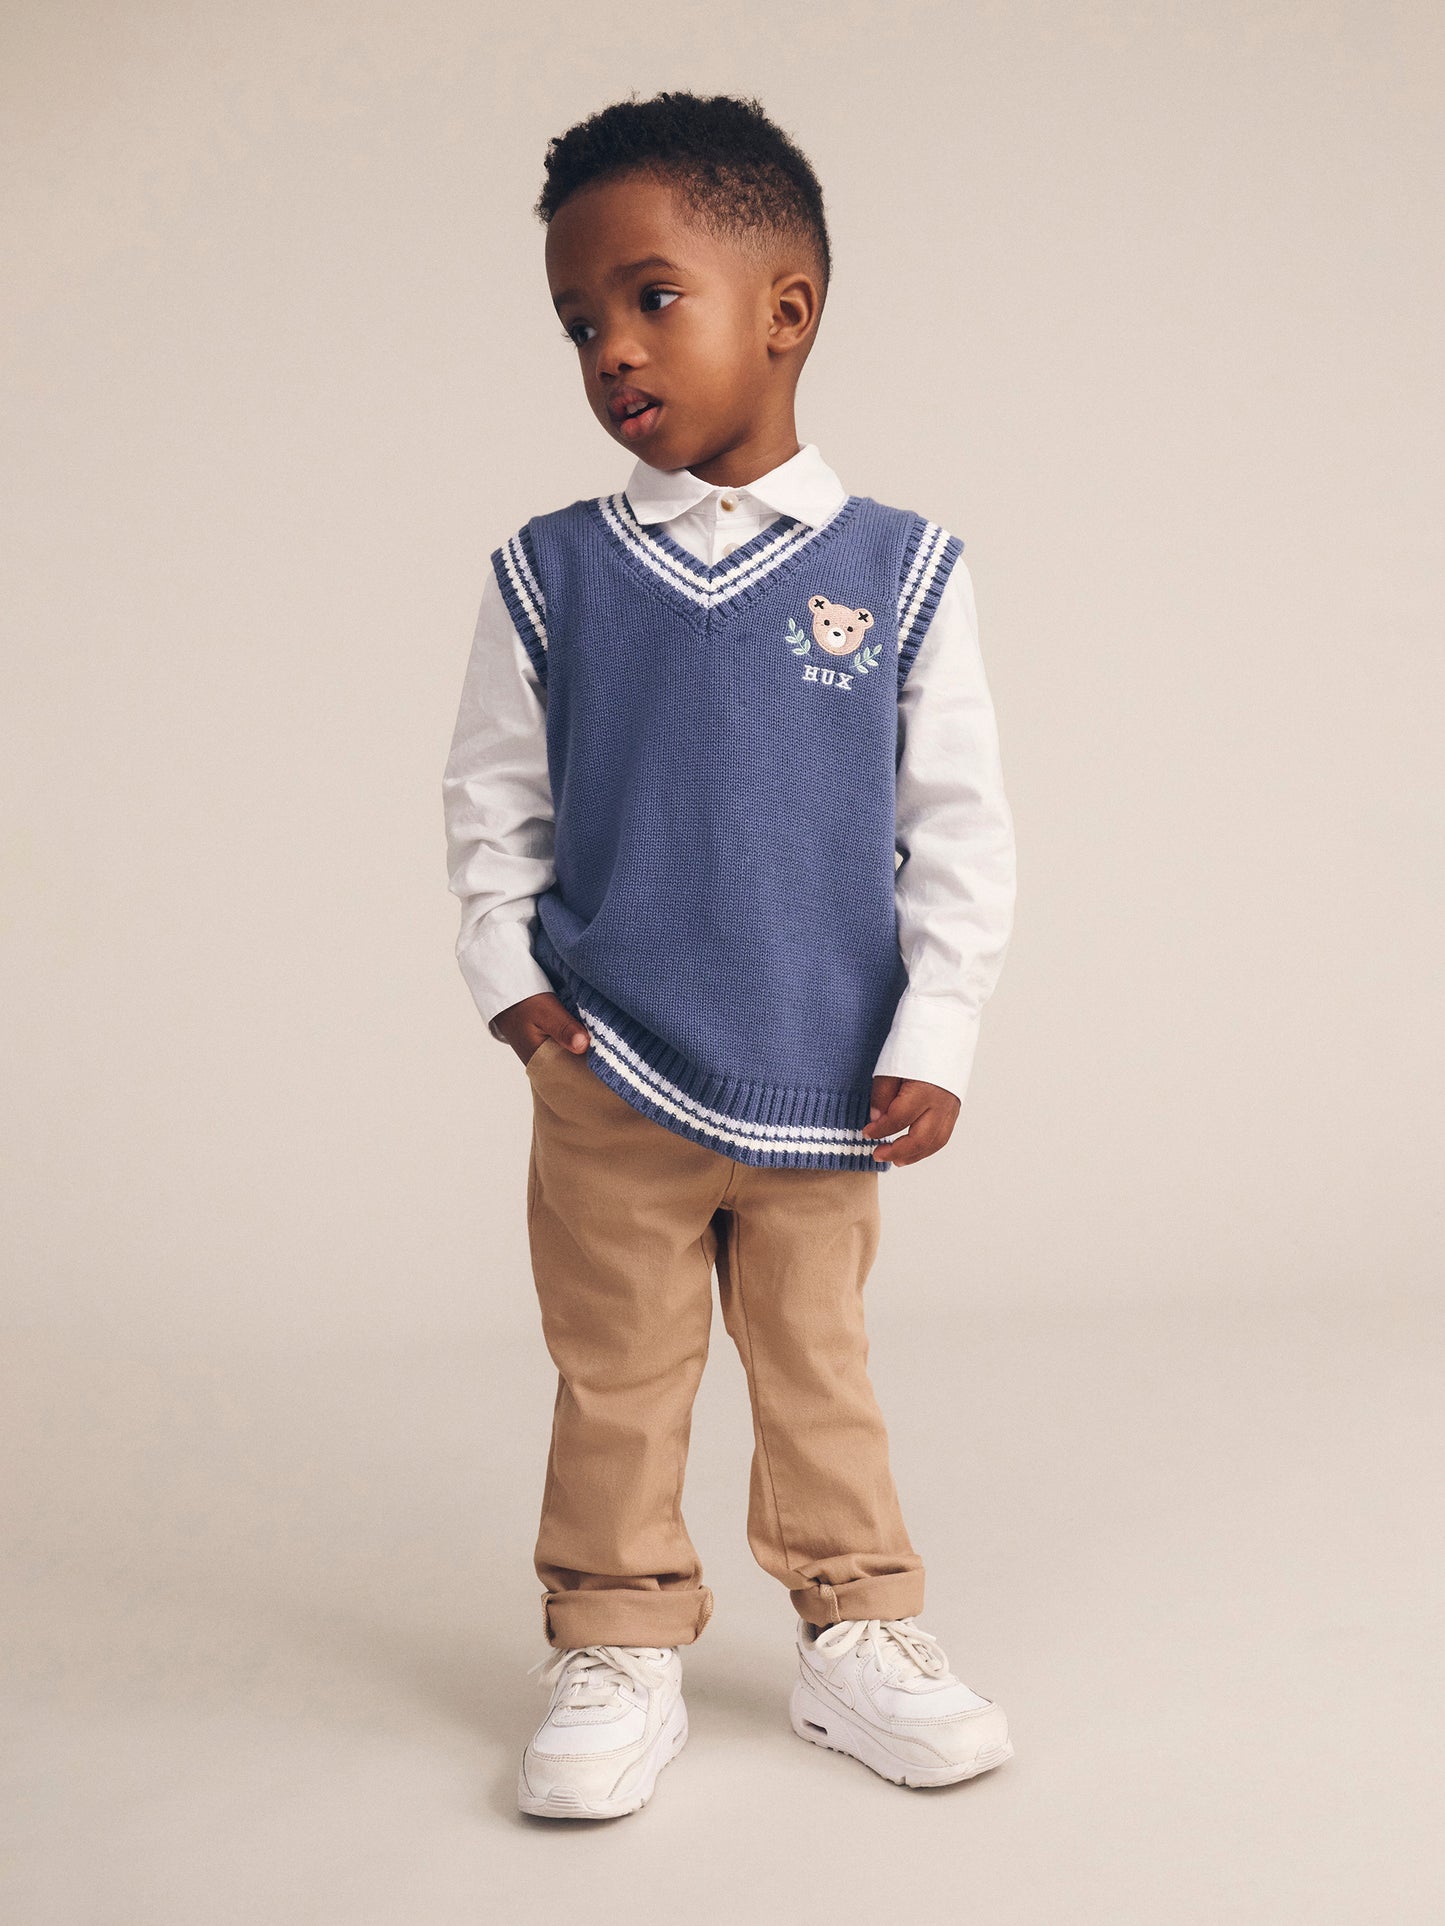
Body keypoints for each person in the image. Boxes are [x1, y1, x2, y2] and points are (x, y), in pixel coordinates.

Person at [442, 90, 1018, 1819]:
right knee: (615, 1370)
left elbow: (958, 824)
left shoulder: (899, 571)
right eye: (577, 323)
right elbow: (491, 798)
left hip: (823, 1073)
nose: (610, 350)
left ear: (785, 308)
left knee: (817, 1365)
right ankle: (614, 1632)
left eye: (648, 298)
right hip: (607, 1063)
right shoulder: (551, 573)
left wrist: (935, 1030)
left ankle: (856, 1627)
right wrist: (510, 979)